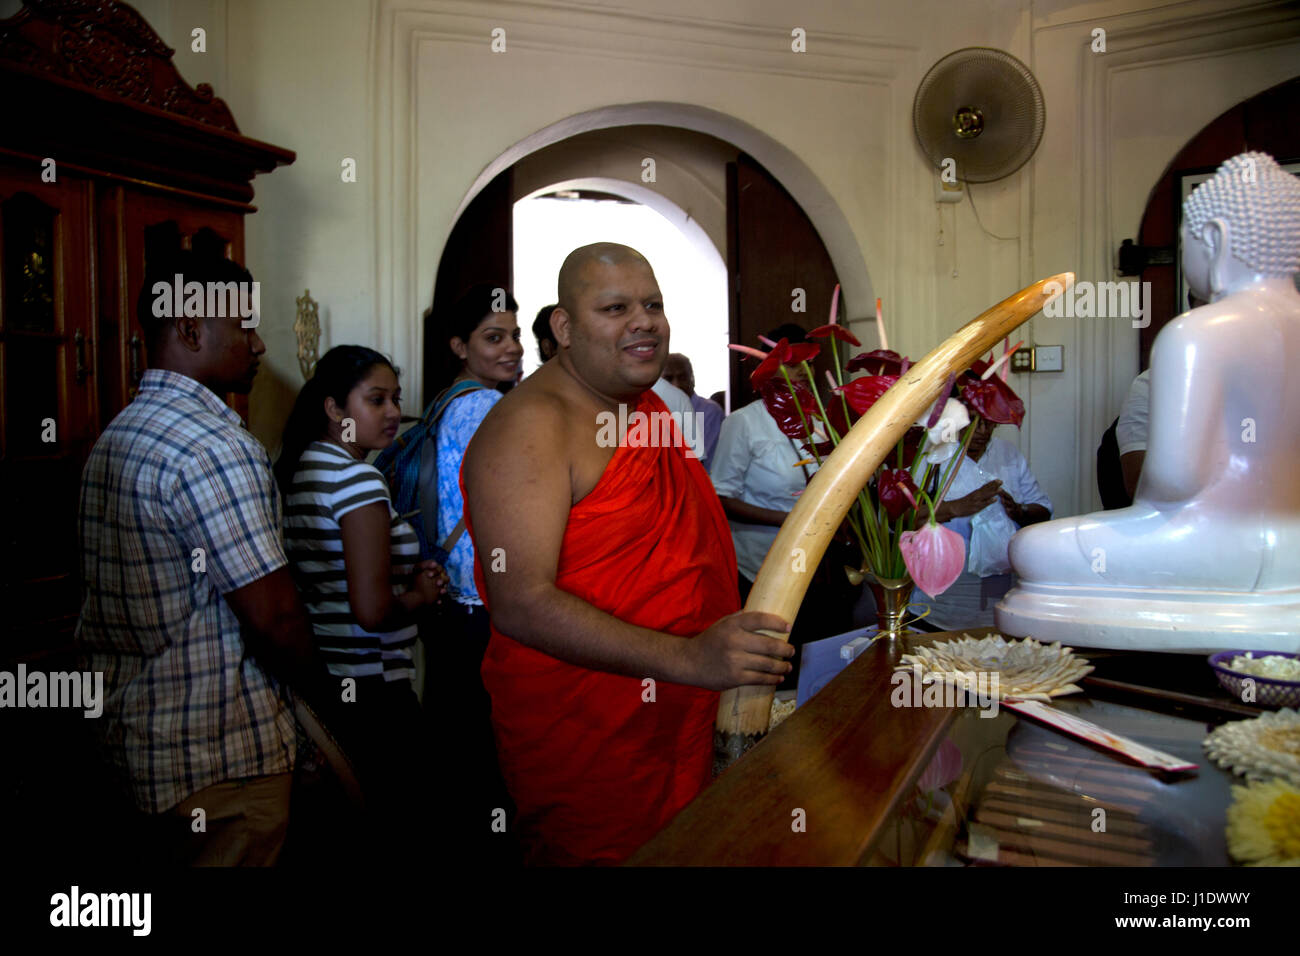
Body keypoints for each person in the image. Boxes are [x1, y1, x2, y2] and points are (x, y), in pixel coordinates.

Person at [460, 242, 795, 865]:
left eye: (653, 304)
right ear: (563, 327)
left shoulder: (645, 410)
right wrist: (691, 658)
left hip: (686, 714)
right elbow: (521, 604)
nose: (644, 321)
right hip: (595, 738)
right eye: (615, 307)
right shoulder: (530, 425)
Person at [75, 249, 319, 866]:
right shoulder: (212, 446)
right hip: (222, 756)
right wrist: (322, 705)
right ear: (190, 328)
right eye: (244, 327)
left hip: (142, 744)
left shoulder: (121, 431)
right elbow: (275, 618)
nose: (260, 345)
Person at [275, 346, 447, 837]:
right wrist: (421, 594)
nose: (394, 412)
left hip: (328, 678)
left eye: (395, 398)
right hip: (374, 688)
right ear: (334, 408)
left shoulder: (304, 467)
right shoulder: (357, 479)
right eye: (376, 400)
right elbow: (371, 610)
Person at [424, 283, 524, 852]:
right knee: (495, 759)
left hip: (453, 603)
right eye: (493, 338)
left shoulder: (447, 400)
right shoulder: (488, 406)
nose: (511, 348)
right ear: (460, 345)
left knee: (460, 749)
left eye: (512, 336)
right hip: (485, 604)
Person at [709, 329, 857, 675]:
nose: (803, 371)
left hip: (821, 566)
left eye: (807, 361)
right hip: (761, 565)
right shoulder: (744, 423)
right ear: (769, 368)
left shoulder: (820, 420)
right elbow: (721, 496)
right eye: (791, 365)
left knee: (821, 659)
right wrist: (789, 520)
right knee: (775, 661)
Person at [920, 415, 1052, 631]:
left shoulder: (1007, 454)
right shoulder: (932, 456)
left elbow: (1043, 509)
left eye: (990, 422)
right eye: (972, 420)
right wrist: (956, 507)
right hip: (942, 605)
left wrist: (1019, 511)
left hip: (1001, 603)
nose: (982, 430)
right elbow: (904, 519)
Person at [663, 352, 724, 468]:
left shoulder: (710, 411)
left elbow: (698, 463)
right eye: (668, 379)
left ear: (693, 379)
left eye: (682, 377)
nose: (676, 385)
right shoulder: (649, 411)